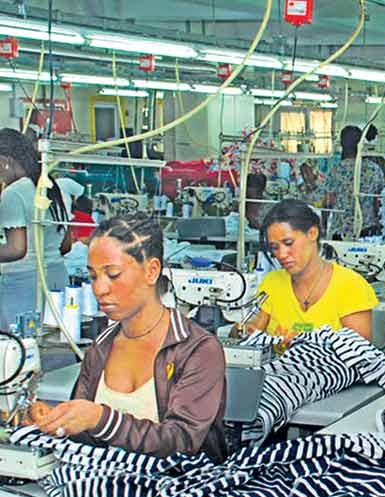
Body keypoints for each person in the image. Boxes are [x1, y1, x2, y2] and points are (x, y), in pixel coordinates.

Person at [32, 214, 227, 461]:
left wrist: (100, 418)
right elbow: (86, 439)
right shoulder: (101, 348)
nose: (99, 289)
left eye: (113, 274)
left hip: (179, 490)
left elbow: (182, 441)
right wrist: (56, 420)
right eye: (92, 276)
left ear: (152, 271)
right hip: (107, 486)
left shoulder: (197, 350)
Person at [242, 201, 378, 342]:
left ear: (312, 233)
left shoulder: (350, 285)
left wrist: (305, 344)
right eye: (275, 247)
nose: (282, 254)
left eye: (288, 243)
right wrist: (242, 331)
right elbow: (250, 332)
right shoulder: (271, 283)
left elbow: (359, 354)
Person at [0, 128, 71, 330]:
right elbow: (66, 245)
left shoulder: (13, 194)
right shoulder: (51, 186)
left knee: (17, 350)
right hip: (57, 279)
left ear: (5, 161)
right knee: (54, 343)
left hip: (23, 285)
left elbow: (16, 249)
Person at [324, 125, 385, 239]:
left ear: (342, 144)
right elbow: (378, 203)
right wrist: (381, 227)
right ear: (361, 143)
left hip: (341, 231)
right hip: (367, 231)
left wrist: (323, 226)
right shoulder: (374, 169)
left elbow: (328, 203)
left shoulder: (335, 170)